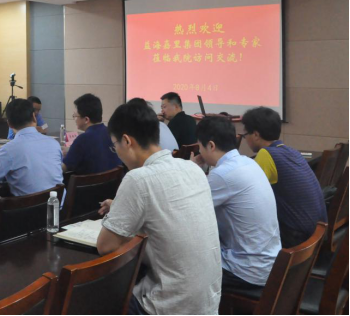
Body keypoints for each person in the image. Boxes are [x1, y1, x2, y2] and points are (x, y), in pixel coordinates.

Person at [97, 100, 221, 315]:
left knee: (97, 299)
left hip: (171, 306)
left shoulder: (138, 178)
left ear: (126, 141)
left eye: (114, 145)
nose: (116, 151)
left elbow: (105, 246)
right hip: (208, 303)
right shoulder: (192, 169)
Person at [194, 116, 281, 292]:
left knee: (177, 262)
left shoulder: (222, 174)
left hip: (246, 271)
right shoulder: (248, 162)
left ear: (210, 145)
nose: (200, 152)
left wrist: (192, 169)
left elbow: (187, 209)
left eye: (200, 147)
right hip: (270, 263)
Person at [242, 106, 327, 248]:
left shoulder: (266, 154)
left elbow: (247, 193)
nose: (245, 139)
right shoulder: (291, 151)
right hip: (316, 231)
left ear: (256, 135)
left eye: (245, 135)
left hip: (296, 236)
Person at [0, 99, 63, 196]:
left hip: (27, 205)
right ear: (34, 117)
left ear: (9, 124)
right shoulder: (54, 143)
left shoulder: (8, 150)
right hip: (58, 203)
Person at [62, 94, 123, 174]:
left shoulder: (82, 139)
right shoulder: (112, 133)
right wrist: (71, 150)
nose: (74, 119)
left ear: (86, 120)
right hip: (114, 181)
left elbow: (63, 168)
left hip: (87, 182)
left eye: (75, 116)